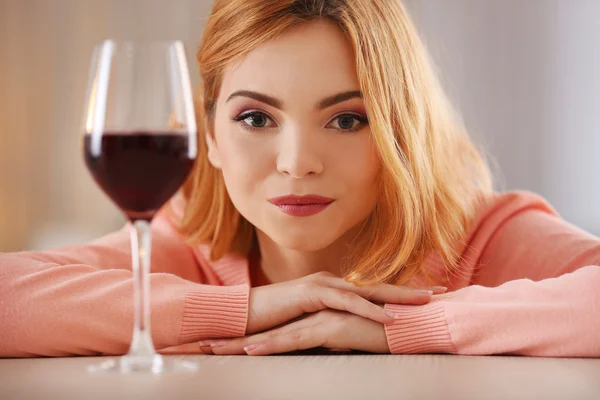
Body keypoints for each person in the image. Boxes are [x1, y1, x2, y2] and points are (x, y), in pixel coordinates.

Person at [1, 0, 599, 358]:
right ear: (207, 134)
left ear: (400, 129)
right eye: (256, 118)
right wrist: (243, 309)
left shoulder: (483, 235)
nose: (297, 161)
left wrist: (405, 329)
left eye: (346, 119)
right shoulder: (189, 243)